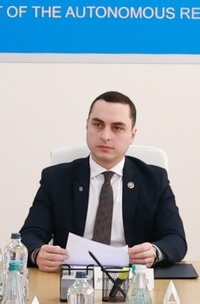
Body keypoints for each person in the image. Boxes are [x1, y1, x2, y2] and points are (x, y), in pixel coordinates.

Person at [20, 91, 187, 271]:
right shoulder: (57, 179)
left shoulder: (154, 180)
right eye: (98, 125)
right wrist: (37, 253)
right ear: (87, 126)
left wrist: (154, 251)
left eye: (117, 128)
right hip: (74, 278)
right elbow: (29, 235)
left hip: (131, 277)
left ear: (132, 135)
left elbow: (175, 239)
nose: (106, 136)